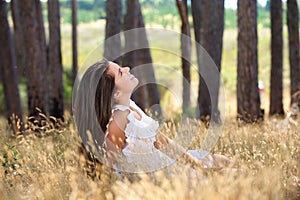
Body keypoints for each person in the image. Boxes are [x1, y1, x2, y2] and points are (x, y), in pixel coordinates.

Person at [73, 59, 230, 174]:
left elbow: (164, 142)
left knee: (224, 161)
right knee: (231, 174)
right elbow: (111, 166)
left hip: (169, 162)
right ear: (116, 93)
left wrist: (197, 166)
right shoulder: (118, 121)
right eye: (121, 72)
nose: (127, 68)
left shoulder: (131, 105)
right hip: (164, 177)